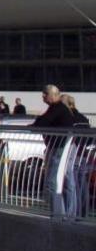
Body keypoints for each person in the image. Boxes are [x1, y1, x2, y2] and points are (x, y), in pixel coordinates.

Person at [32, 85, 77, 220]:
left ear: (54, 94)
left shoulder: (57, 109)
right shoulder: (56, 109)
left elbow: (41, 123)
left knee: (52, 183)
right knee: (68, 181)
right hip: (65, 146)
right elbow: (42, 121)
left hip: (60, 147)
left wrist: (37, 123)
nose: (43, 97)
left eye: (45, 94)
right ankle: (69, 215)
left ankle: (58, 215)